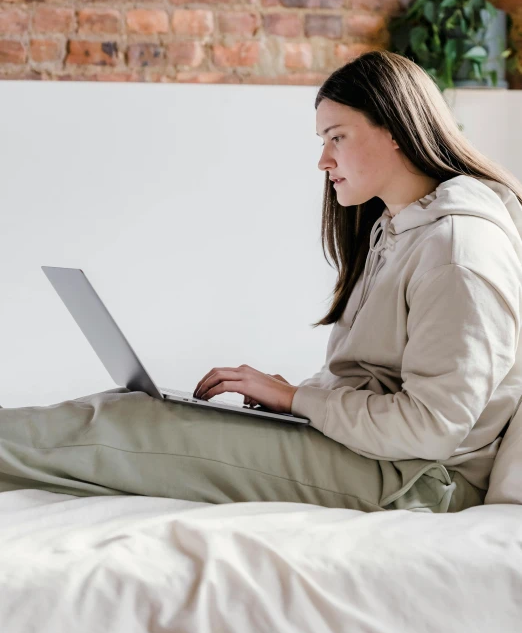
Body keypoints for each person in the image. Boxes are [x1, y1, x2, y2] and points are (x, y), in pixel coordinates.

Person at [2, 50, 522, 514]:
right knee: (131, 408)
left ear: (394, 130)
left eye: (337, 137)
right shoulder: (401, 229)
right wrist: (293, 401)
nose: (323, 161)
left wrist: (297, 398)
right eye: (323, 140)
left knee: (129, 426)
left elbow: (432, 428)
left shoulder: (459, 253)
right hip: (375, 456)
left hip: (417, 479)